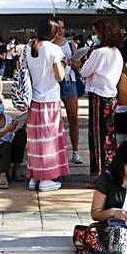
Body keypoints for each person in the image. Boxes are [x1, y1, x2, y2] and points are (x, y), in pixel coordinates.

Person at [25, 18, 70, 192]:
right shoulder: (53, 49)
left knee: (36, 140)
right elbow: (60, 76)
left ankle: (35, 178)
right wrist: (65, 67)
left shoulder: (29, 47)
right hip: (50, 99)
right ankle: (47, 179)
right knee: (49, 140)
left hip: (34, 100)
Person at [80, 18, 124, 180]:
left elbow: (85, 71)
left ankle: (99, 175)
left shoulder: (98, 52)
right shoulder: (117, 52)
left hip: (98, 96)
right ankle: (111, 170)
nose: (95, 35)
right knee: (109, 136)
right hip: (111, 96)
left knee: (97, 136)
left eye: (96, 32)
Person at [53, 17, 84, 165]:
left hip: (69, 80)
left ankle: (75, 151)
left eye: (63, 27)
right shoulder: (48, 44)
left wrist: (74, 62)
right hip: (53, 82)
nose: (60, 30)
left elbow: (79, 64)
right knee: (54, 119)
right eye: (57, 27)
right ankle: (56, 151)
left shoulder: (70, 44)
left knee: (73, 117)